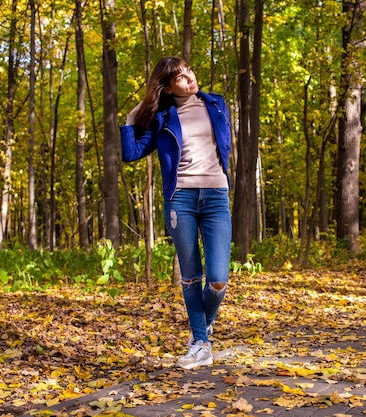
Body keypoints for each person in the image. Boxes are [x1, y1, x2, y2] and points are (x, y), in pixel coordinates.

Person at [120, 57, 232, 370]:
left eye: (189, 72)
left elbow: (226, 143)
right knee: (191, 276)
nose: (188, 79)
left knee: (219, 279)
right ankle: (200, 343)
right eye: (179, 78)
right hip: (180, 199)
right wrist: (130, 120)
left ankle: (202, 331)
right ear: (167, 87)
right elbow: (131, 154)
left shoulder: (217, 104)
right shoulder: (162, 117)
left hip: (216, 196)